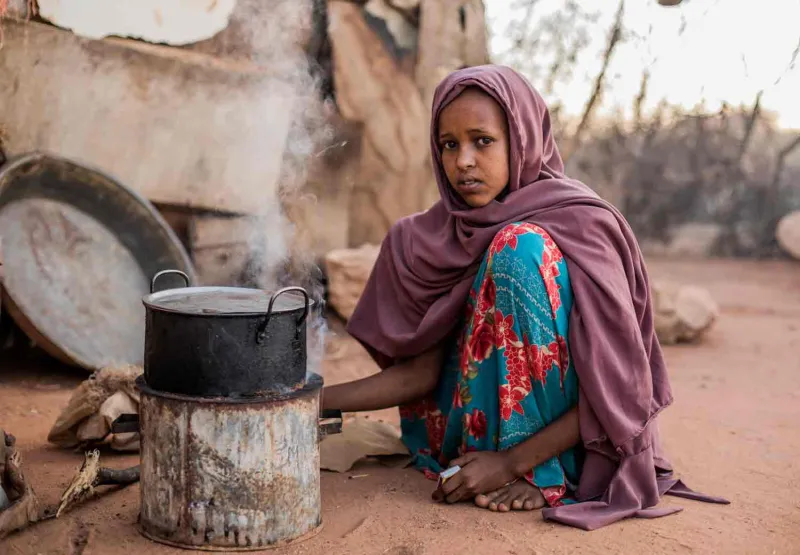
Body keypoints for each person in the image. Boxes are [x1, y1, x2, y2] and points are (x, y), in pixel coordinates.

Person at [320, 65, 727, 531]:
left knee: (518, 246)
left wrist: (512, 463)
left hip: (567, 439)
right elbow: (421, 375)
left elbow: (620, 388)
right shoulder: (422, 240)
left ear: (523, 139)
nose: (463, 161)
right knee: (498, 243)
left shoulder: (582, 223)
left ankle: (545, 472)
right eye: (449, 145)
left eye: (482, 140)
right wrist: (312, 400)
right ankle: (483, 456)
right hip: (464, 433)